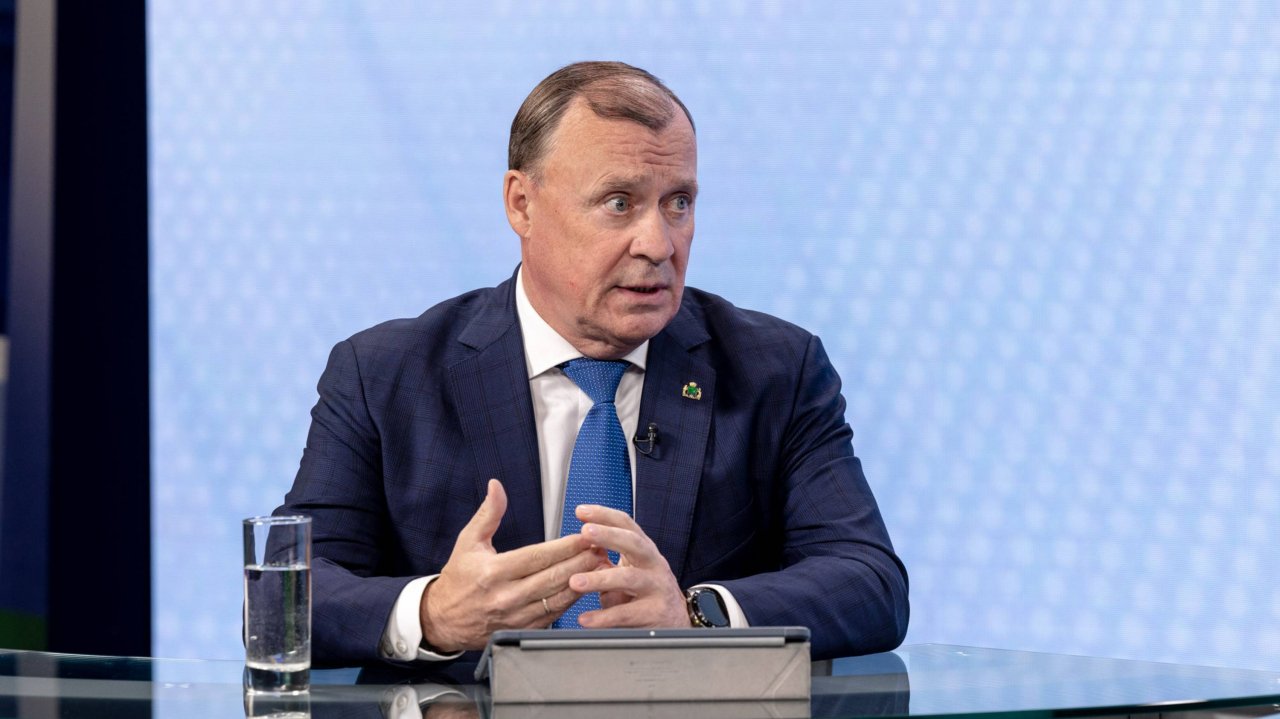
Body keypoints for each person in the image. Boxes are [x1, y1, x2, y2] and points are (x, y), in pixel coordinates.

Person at [278, 61, 908, 676]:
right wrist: (433, 614)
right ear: (522, 204)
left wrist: (697, 616)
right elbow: (290, 594)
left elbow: (869, 580)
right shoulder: (385, 375)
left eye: (678, 203)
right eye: (618, 202)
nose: (658, 244)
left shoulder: (775, 370)